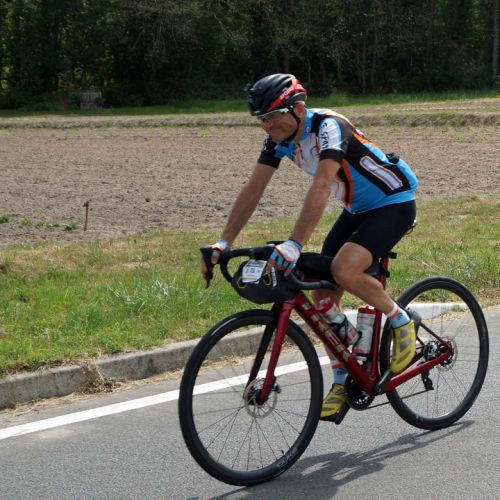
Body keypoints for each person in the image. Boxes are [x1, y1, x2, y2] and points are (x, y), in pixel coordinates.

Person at [201, 73, 419, 422]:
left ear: (298, 109)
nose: (267, 126)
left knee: (344, 269)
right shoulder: (278, 139)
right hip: (357, 209)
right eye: (261, 119)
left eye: (273, 116)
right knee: (323, 297)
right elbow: (254, 189)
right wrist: (224, 241)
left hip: (393, 202)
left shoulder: (329, 126)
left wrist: (294, 243)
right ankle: (344, 377)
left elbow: (321, 186)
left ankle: (402, 320)